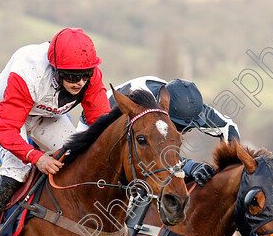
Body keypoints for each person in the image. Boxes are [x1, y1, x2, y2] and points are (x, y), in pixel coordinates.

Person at [0, 28, 110, 236]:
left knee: (75, 158)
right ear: (56, 69)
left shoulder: (90, 77)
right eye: (72, 76)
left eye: (85, 75)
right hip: (5, 114)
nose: (80, 82)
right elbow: (6, 128)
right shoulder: (28, 74)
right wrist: (35, 156)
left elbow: (101, 122)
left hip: (46, 113)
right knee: (17, 170)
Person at [94, 75, 240, 187]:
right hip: (96, 124)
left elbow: (228, 127)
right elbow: (149, 155)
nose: (183, 133)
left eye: (188, 128)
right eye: (178, 127)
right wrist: (189, 166)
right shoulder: (146, 109)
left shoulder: (189, 107)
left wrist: (229, 171)